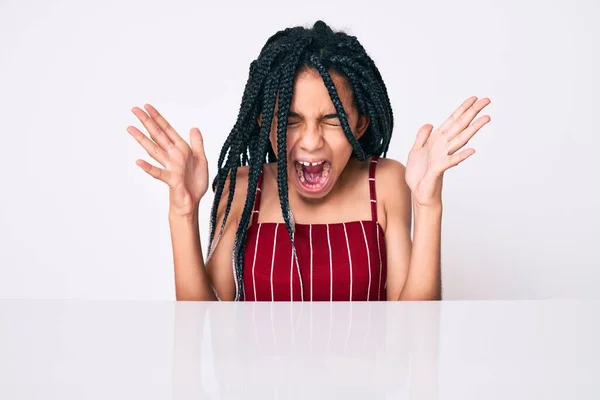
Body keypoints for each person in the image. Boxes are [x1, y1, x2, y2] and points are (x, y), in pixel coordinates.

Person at [127, 20, 491, 301]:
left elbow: (416, 328)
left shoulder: (387, 183)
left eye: (331, 119)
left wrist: (428, 205)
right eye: (289, 120)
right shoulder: (240, 188)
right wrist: (183, 212)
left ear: (360, 123)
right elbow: (201, 324)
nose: (312, 140)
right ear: (264, 122)